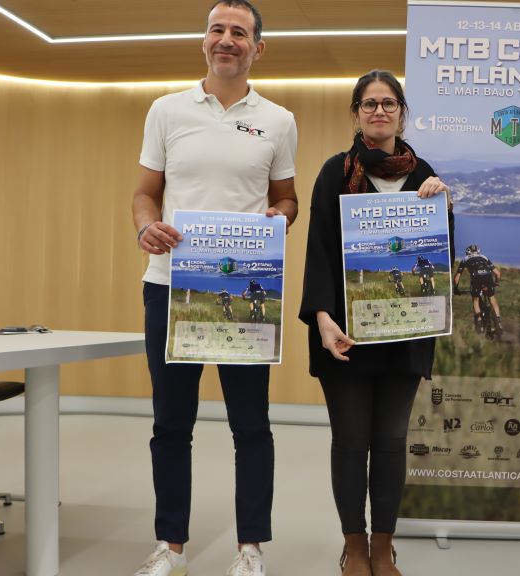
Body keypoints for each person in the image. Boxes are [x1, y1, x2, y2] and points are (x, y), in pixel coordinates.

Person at [130, 2, 297, 575]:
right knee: (170, 425)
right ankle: (169, 545)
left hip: (248, 290)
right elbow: (145, 193)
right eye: (218, 30)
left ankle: (250, 547)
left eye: (240, 33)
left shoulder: (277, 120)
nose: (227, 40)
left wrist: (279, 215)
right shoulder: (166, 110)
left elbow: (288, 198)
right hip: (171, 287)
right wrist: (145, 226)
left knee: (250, 425)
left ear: (258, 48)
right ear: (205, 40)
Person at [298, 69, 452, 576]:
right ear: (357, 113)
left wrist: (443, 208)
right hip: (343, 332)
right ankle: (354, 544)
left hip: (405, 331)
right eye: (370, 104)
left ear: (402, 112)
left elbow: (438, 254)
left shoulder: (424, 171)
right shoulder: (335, 172)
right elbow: (318, 249)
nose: (380, 111)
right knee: (350, 441)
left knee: (389, 441)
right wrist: (321, 319)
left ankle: (383, 543)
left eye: (389, 103)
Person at [452, 245, 502, 334]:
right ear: (478, 251)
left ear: (468, 252)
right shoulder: (484, 257)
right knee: (492, 298)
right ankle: (498, 322)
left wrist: (455, 288)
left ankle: (479, 323)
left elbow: (457, 277)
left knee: (475, 300)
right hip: (488, 277)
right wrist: (496, 283)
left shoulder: (465, 258)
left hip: (476, 279)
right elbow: (497, 273)